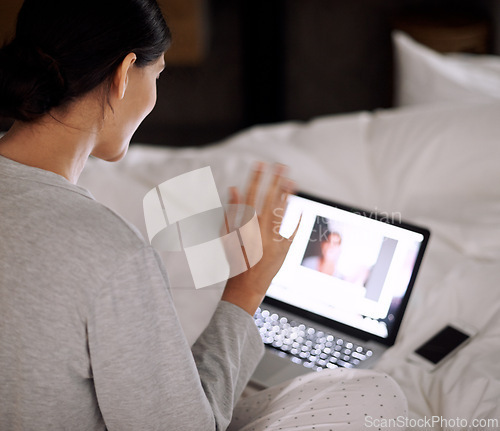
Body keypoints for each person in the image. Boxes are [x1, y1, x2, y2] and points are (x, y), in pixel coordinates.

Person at [0, 1, 407, 429]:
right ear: (123, 74)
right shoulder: (111, 252)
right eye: (157, 76)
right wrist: (247, 286)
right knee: (377, 393)